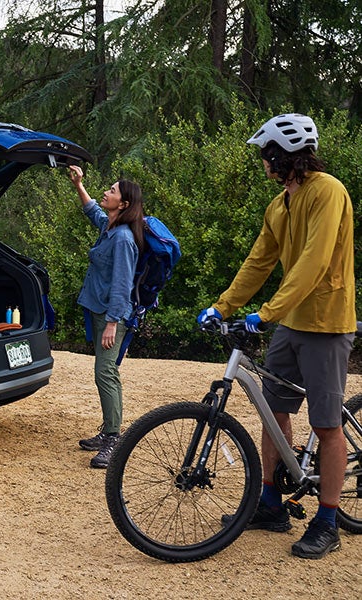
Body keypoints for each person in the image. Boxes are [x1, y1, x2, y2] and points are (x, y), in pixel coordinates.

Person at [197, 113, 355, 559]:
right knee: (273, 412)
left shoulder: (329, 192)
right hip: (289, 323)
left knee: (326, 425)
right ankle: (270, 502)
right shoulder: (279, 204)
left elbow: (314, 262)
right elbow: (258, 262)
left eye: (265, 155)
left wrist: (264, 314)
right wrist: (222, 305)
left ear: (280, 155)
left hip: (325, 324)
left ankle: (328, 520)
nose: (262, 163)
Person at [68, 165, 145, 468]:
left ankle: (114, 439)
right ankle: (108, 432)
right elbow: (92, 212)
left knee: (105, 372)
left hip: (113, 315)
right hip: (101, 310)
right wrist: (78, 184)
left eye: (112, 191)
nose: (106, 192)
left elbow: (123, 284)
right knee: (104, 372)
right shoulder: (109, 226)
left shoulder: (124, 239)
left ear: (123, 205)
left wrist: (113, 322)